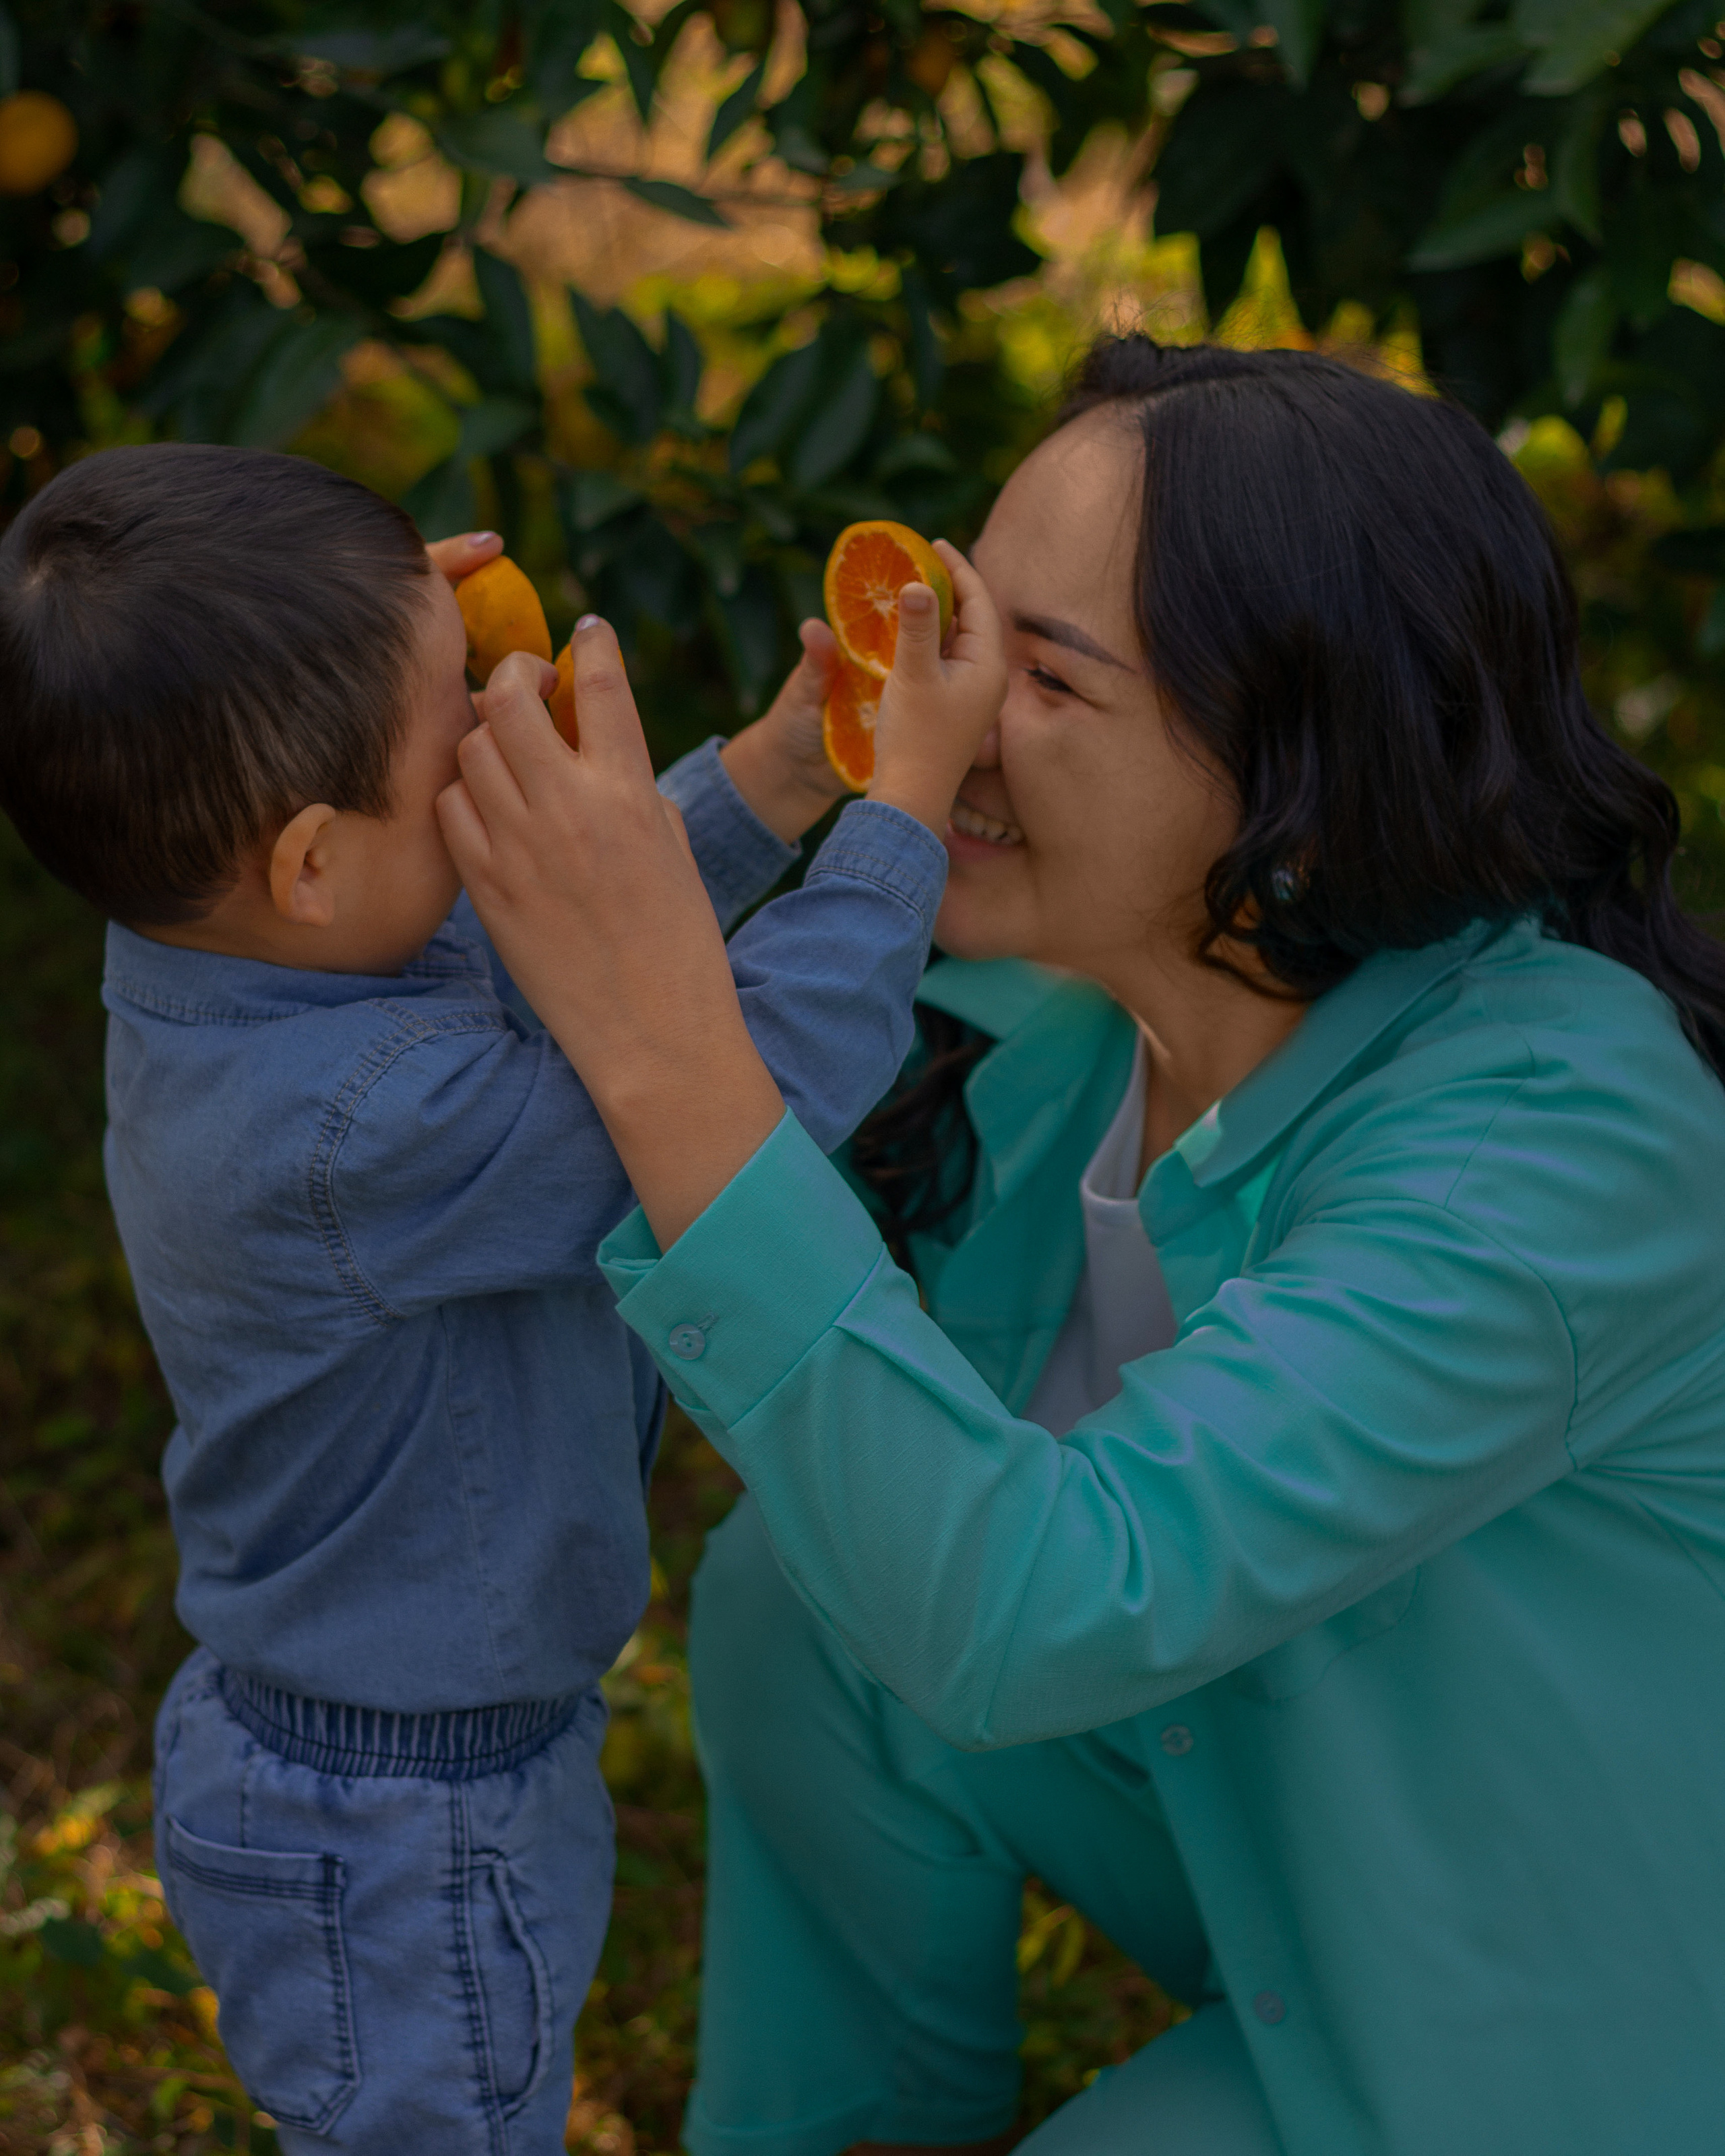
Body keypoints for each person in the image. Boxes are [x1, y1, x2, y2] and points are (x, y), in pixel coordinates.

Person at [441, 338, 1725, 2156]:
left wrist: (661, 1041)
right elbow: (500, 1138)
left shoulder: (1550, 1148)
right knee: (806, 1605)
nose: (941, 714)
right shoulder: (1061, 1039)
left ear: (1304, 764)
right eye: (958, 632)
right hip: (1318, 1866)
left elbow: (1045, 1603)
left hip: (1576, 2027)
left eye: (1042, 677)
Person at [0, 442, 1004, 2155]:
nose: (504, 721)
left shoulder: (259, 938)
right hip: (405, 1824)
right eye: (457, 726)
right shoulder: (352, 1124)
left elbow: (566, 946)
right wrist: (895, 821)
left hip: (393, 1758)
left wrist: (775, 770)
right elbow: (712, 1094)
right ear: (310, 860)